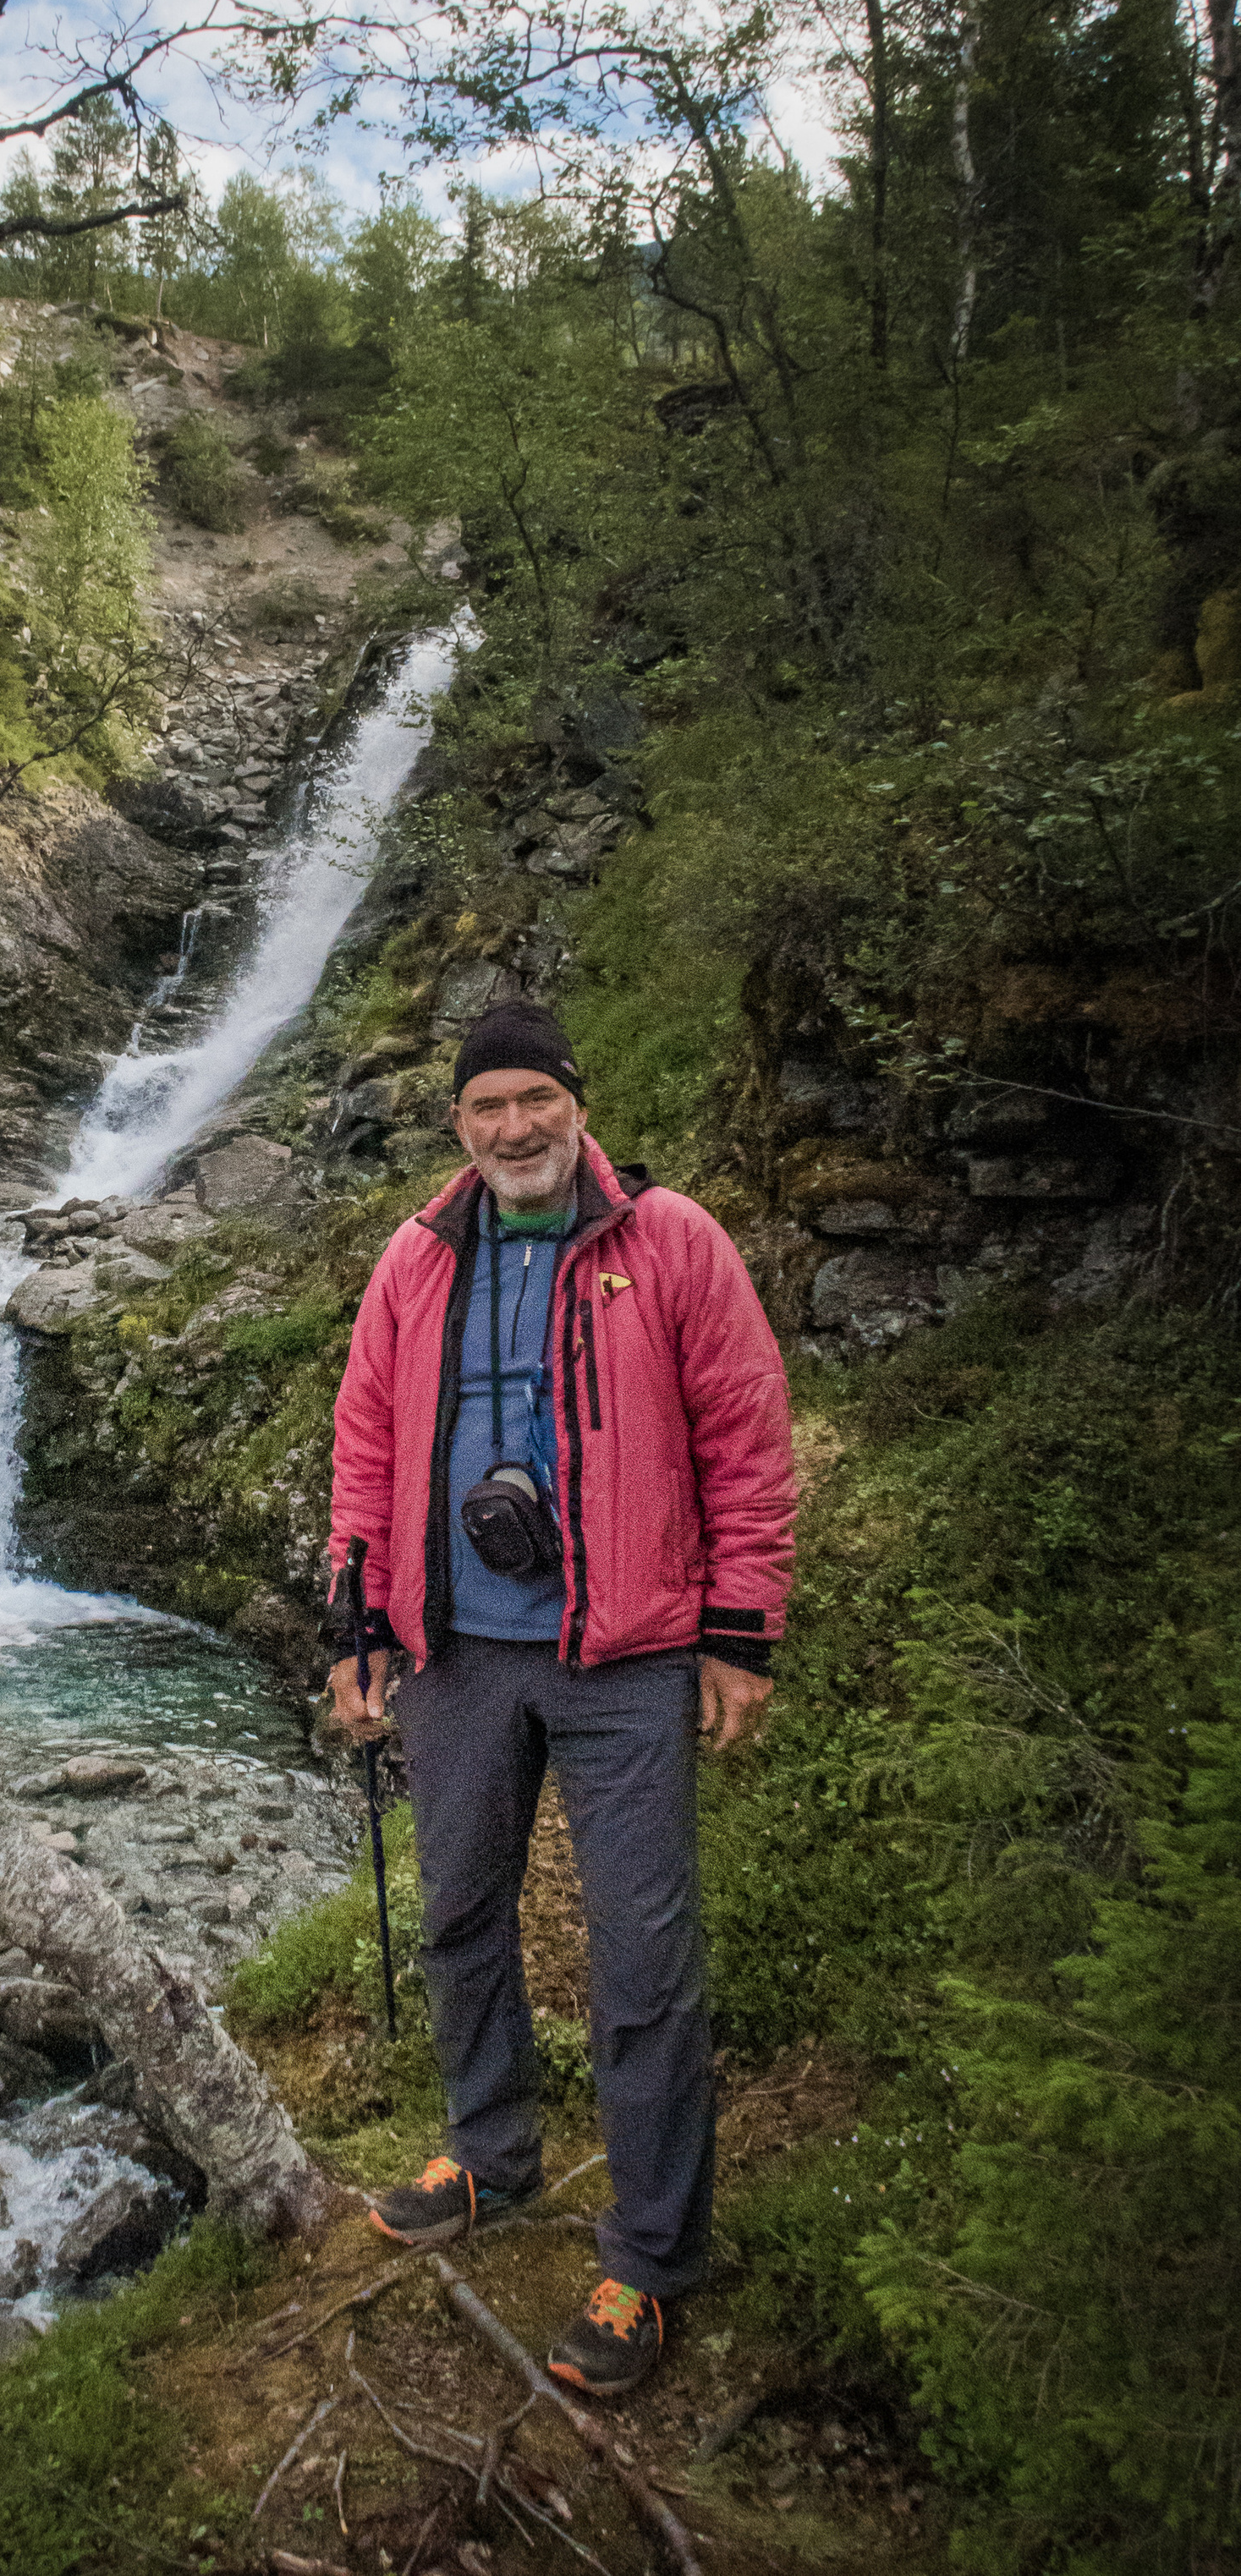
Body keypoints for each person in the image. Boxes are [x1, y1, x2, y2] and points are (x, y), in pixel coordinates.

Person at [327, 998, 794, 2398]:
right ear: (459, 1125)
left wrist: (741, 1631)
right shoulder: (414, 1257)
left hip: (628, 1652)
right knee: (462, 1910)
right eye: (489, 1106)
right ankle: (489, 2150)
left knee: (643, 1960)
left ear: (576, 1104)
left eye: (536, 1098)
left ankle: (650, 2254)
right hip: (454, 1653)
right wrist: (356, 1617)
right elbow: (365, 1437)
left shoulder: (672, 1242)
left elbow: (747, 1431)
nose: (516, 1125)